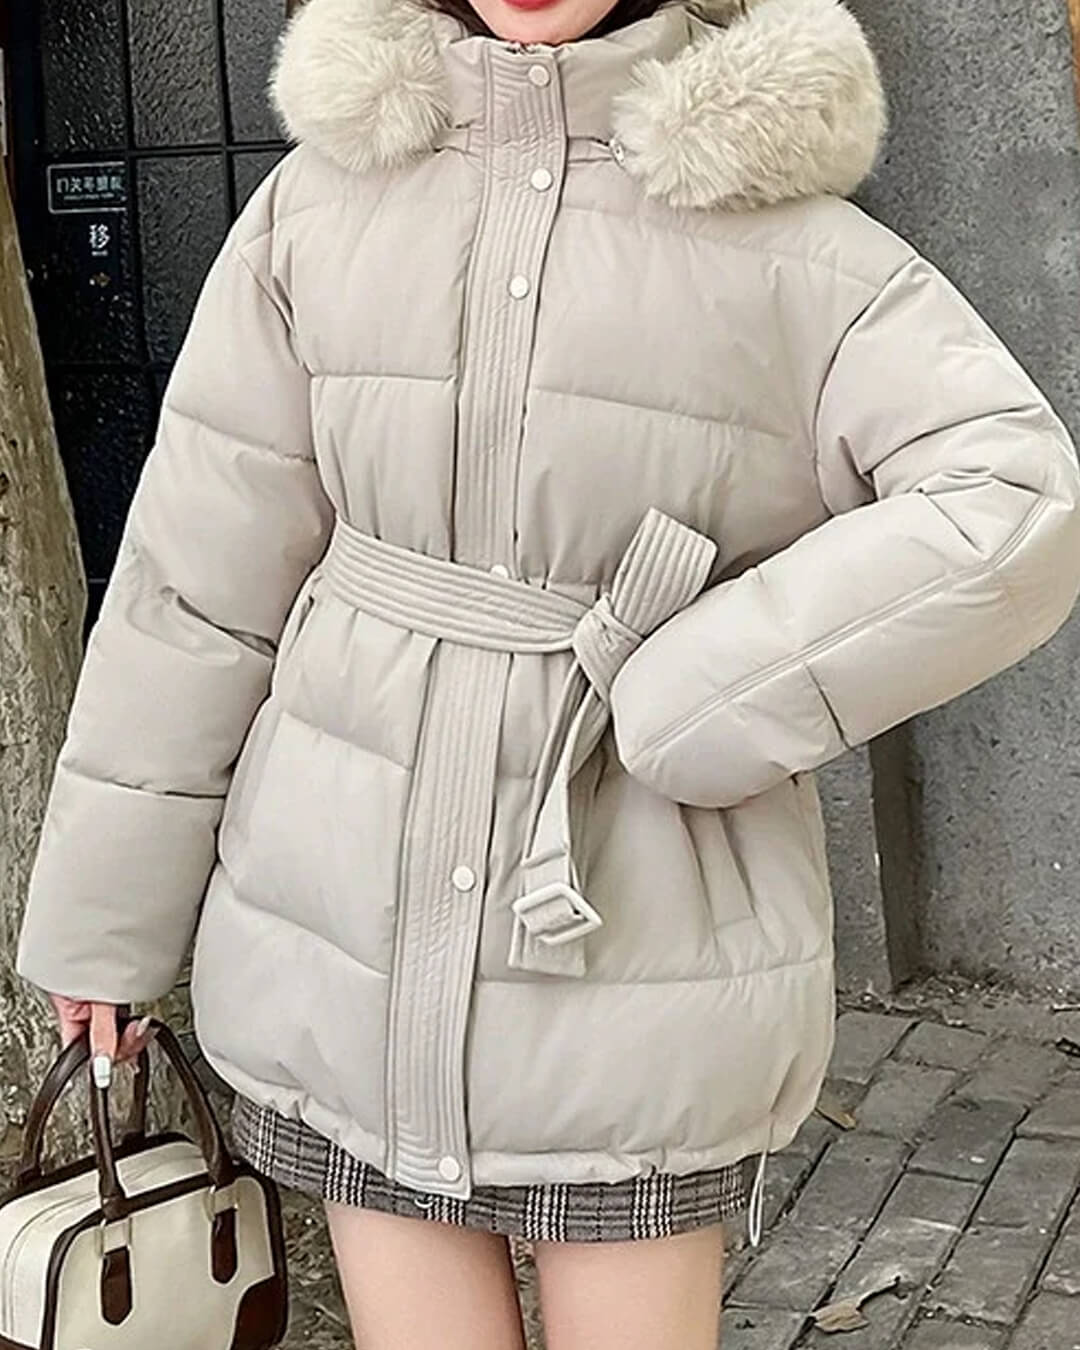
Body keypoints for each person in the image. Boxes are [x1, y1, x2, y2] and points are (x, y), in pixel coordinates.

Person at [15, 0, 1080, 1345]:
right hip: (348, 930)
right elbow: (196, 585)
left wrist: (710, 690)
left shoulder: (796, 242)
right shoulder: (316, 207)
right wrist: (103, 924)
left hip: (637, 950)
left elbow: (1014, 499)